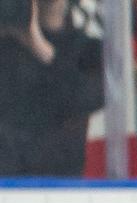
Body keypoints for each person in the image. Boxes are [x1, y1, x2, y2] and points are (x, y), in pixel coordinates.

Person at [0, 0, 102, 177]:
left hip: (58, 188)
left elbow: (85, 98)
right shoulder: (7, 48)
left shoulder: (88, 50)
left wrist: (39, 46)